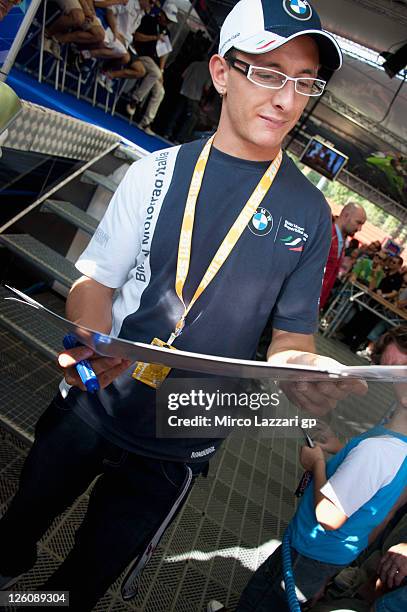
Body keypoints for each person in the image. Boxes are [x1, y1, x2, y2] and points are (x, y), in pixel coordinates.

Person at [0, 1, 366, 609]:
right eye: (269, 73)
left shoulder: (308, 216)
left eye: (304, 83)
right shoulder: (158, 172)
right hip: (96, 397)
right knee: (16, 529)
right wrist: (94, 338)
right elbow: (95, 281)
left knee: (84, 581)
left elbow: (292, 338)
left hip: (188, 427)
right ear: (222, 73)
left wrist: (306, 376)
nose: (286, 99)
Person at [207, 326, 407, 612]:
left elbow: (328, 515)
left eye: (399, 369)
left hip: (310, 547)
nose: (392, 375)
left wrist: (317, 464)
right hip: (334, 553)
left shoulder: (377, 450)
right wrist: (340, 449)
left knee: (265, 597)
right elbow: (383, 506)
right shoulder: (396, 447)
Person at [124, 2, 178, 134]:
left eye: (171, 21)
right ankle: (135, 100)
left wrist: (162, 71)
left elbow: (164, 54)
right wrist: (154, 37)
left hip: (154, 64)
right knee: (154, 72)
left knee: (161, 92)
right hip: (140, 55)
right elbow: (136, 36)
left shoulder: (167, 33)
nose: (168, 22)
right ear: (162, 14)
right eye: (167, 19)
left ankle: (146, 122)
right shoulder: (149, 20)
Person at [319, 202, 367, 310]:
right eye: (358, 222)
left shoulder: (340, 241)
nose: (359, 229)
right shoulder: (326, 235)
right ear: (346, 215)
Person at [163, 57, 212, 143]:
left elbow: (183, 75)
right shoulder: (209, 71)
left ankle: (167, 133)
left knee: (176, 113)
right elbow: (206, 87)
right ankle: (178, 138)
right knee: (188, 118)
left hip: (184, 91)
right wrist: (203, 99)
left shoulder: (195, 63)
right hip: (195, 96)